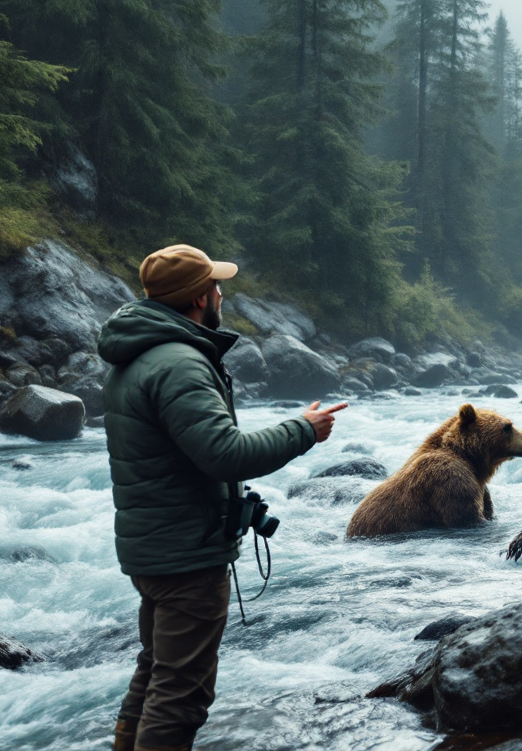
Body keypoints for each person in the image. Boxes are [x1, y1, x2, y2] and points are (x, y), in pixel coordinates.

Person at [97, 244, 346, 751]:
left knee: (154, 673)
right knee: (180, 696)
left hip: (155, 547)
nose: (221, 293)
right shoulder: (179, 363)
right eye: (215, 286)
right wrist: (303, 430)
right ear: (196, 298)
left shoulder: (138, 356)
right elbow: (225, 455)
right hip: (186, 555)